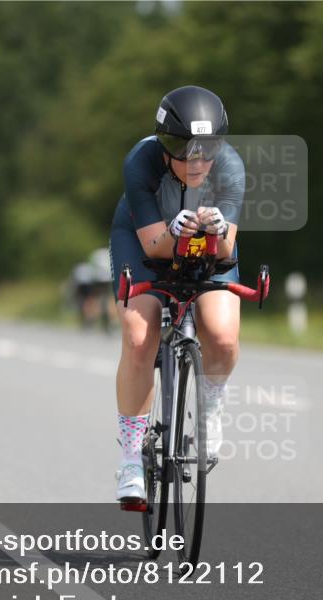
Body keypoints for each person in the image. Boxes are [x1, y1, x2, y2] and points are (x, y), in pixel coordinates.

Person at [108, 85, 245, 504]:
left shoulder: (231, 169)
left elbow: (224, 252)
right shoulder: (141, 161)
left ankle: (210, 409)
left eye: (207, 151)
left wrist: (218, 230)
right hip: (144, 241)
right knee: (138, 337)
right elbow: (153, 247)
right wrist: (174, 229)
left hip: (204, 246)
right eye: (183, 150)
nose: (196, 162)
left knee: (221, 336)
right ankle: (132, 458)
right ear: (164, 145)